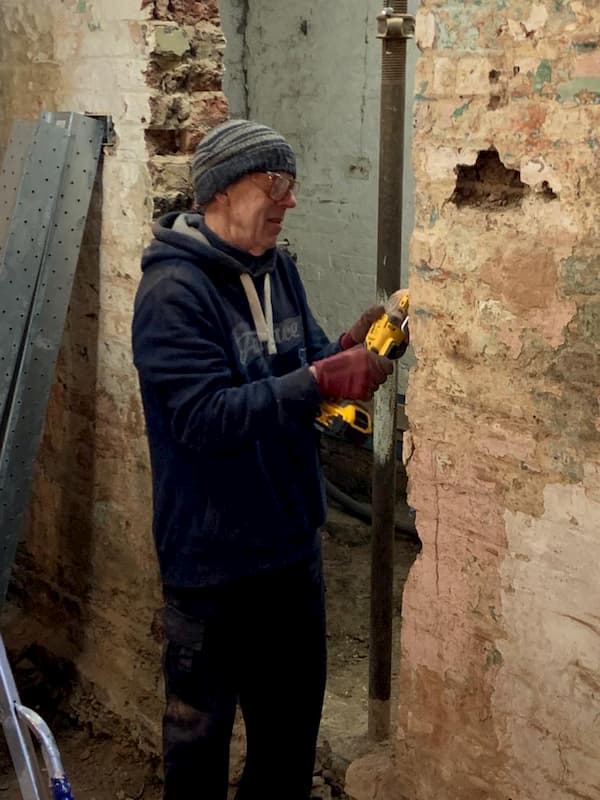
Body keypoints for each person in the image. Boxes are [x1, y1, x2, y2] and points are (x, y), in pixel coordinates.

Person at [132, 119, 396, 800]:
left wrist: (340, 350)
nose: (290, 200)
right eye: (275, 184)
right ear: (221, 191)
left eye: (292, 185)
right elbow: (201, 417)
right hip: (212, 570)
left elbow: (301, 361)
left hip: (289, 553)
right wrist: (319, 382)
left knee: (286, 745)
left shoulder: (279, 269)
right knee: (199, 752)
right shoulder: (172, 294)